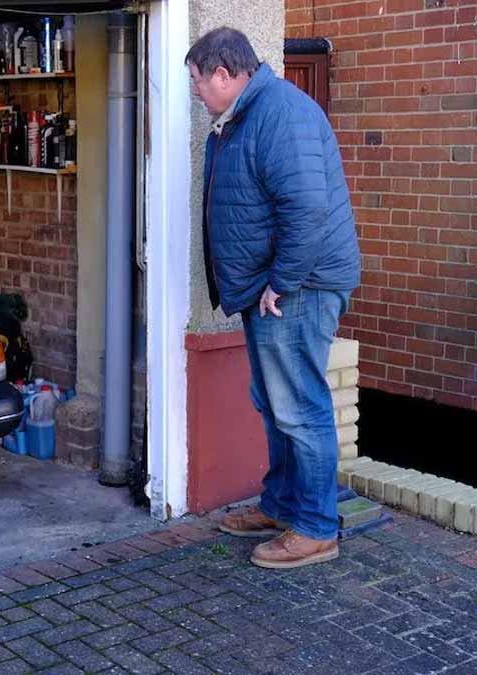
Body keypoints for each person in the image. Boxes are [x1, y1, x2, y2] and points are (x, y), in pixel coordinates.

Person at [185, 28, 361, 569]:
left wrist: (280, 282)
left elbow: (307, 209)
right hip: (276, 289)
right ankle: (284, 504)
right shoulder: (249, 113)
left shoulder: (280, 113)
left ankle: (315, 528)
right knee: (275, 403)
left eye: (197, 81)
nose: (194, 91)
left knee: (299, 407)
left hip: (296, 290)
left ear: (223, 74)